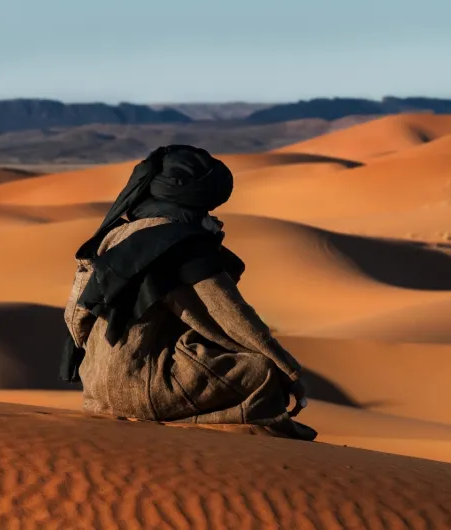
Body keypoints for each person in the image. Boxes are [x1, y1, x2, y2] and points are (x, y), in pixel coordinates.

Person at [59, 145, 316, 441]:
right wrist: (290, 372)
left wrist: (101, 358)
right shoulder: (184, 244)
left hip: (96, 395)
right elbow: (231, 316)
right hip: (149, 387)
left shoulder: (114, 235)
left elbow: (76, 317)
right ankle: (244, 428)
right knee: (261, 369)